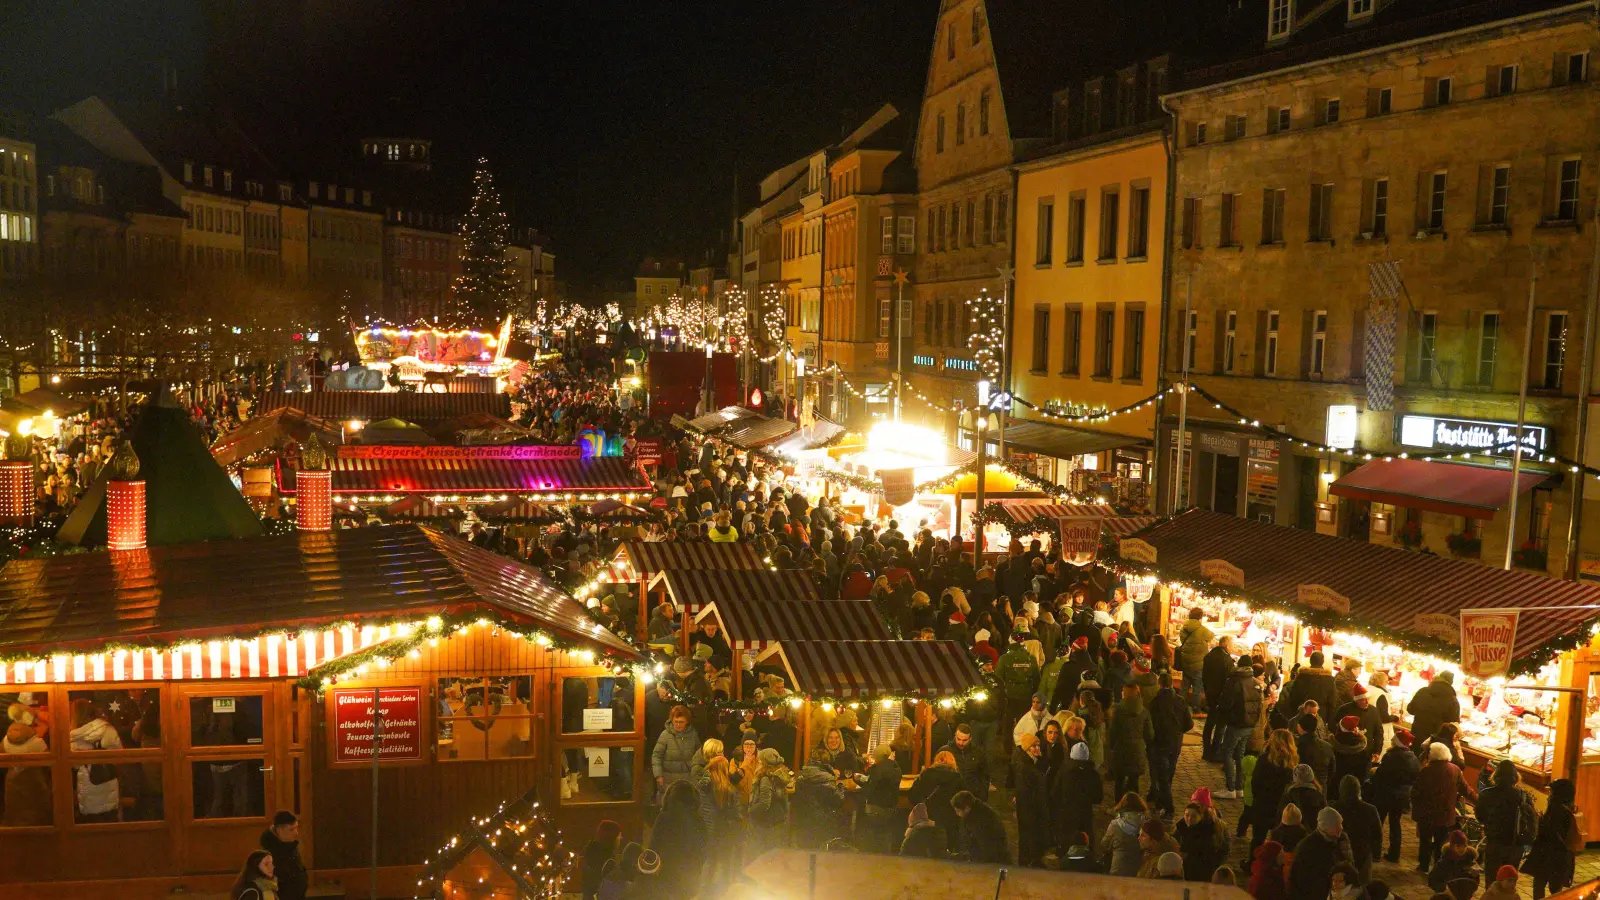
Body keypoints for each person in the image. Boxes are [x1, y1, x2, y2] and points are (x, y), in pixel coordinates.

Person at [1413, 741, 1475, 873]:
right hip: (1446, 814)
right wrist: (1477, 799)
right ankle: (1438, 866)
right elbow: (1466, 789)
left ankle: (1423, 866)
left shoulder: (1426, 771)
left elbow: (1416, 792)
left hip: (1427, 813)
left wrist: (1415, 806)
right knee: (1441, 842)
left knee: (1425, 841)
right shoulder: (1455, 769)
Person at [1523, 777, 1580, 899]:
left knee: (1540, 884)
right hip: (1559, 858)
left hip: (1548, 855)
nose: (1549, 796)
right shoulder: (1566, 812)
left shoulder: (1556, 811)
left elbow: (1548, 832)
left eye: (1551, 793)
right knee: (1555, 888)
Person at [1215, 652, 1262, 800]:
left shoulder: (1234, 681)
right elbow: (1259, 705)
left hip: (1236, 724)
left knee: (1227, 753)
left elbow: (1226, 703)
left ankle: (1230, 788)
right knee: (1240, 754)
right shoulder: (1256, 683)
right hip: (1249, 725)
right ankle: (1239, 787)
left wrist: (1223, 716)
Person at [1367, 729, 1419, 863]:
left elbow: (1380, 775)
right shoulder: (1413, 758)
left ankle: (1375, 852)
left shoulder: (1390, 756)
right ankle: (1394, 853)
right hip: (1401, 796)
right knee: (1395, 823)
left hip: (1386, 794)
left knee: (1378, 823)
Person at [1477, 758, 1535, 878]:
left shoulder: (1486, 794)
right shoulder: (1523, 795)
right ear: (1515, 777)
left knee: (1492, 880)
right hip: (1515, 845)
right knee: (1509, 881)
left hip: (1494, 844)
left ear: (1496, 775)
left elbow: (1480, 817)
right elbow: (1531, 818)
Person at [648, 781, 707, 897]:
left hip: (666, 877)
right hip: (690, 879)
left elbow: (653, 848)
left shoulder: (664, 818)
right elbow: (703, 850)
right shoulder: (698, 820)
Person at [1146, 671, 1191, 817]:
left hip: (1159, 743)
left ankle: (1166, 804)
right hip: (1175, 743)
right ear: (1172, 683)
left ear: (1159, 683)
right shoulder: (1180, 700)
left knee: (1160, 774)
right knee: (1169, 772)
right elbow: (1188, 723)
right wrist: (1178, 732)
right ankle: (1159, 797)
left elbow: (1149, 725)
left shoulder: (1154, 703)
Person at [1288, 806, 1354, 899]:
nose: (1341, 828)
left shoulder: (1342, 839)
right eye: (1337, 825)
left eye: (1341, 823)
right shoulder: (1307, 847)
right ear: (1326, 827)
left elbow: (1349, 864)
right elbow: (1298, 880)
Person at [1250, 729, 1297, 853]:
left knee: (1258, 837)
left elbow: (1255, 782)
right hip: (1281, 805)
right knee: (1277, 839)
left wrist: (1256, 798)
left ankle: (1253, 862)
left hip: (1263, 804)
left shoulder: (1265, 759)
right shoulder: (1293, 761)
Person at [1051, 740, 1102, 857]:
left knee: (1066, 839)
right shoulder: (1093, 774)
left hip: (1067, 812)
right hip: (1085, 813)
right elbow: (1098, 797)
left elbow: (1055, 792)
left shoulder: (1064, 771)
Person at [1106, 683, 1153, 799]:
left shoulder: (1118, 711)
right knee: (1134, 780)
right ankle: (1133, 808)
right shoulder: (1144, 711)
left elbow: (1113, 732)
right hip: (1138, 749)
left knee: (1119, 781)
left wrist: (1111, 748)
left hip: (1121, 749)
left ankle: (1118, 807)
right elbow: (1150, 734)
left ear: (1125, 694)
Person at [1334, 774, 1381, 885]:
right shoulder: (1370, 809)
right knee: (1363, 885)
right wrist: (1375, 853)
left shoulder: (1335, 808)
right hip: (1364, 852)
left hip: (1340, 854)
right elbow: (1377, 833)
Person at [1010, 733, 1049, 866]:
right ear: (1027, 749)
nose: (1037, 748)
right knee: (1029, 834)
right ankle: (1029, 860)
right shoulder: (1024, 767)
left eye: (1038, 745)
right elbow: (1025, 789)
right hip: (1029, 808)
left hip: (1031, 806)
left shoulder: (1033, 762)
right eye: (1034, 746)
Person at [858, 743, 904, 854]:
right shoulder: (897, 769)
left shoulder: (875, 770)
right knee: (885, 832)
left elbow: (869, 789)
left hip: (874, 809)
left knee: (860, 816)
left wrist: (859, 781)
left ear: (877, 757)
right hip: (891, 809)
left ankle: (867, 851)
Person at [909, 749, 964, 838]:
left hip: (927, 817)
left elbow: (913, 796)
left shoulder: (926, 774)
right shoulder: (957, 778)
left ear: (936, 760)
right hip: (948, 820)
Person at [747, 748, 792, 854]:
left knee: (762, 855)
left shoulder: (766, 779)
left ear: (763, 763)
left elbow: (764, 803)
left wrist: (750, 811)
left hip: (766, 823)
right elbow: (784, 800)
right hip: (777, 821)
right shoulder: (779, 776)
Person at [1176, 794, 1228, 881]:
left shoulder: (1208, 832)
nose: (1189, 819)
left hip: (1201, 873)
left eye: (1194, 816)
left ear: (1201, 817)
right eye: (1187, 815)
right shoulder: (1180, 827)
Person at [1201, 635, 1237, 759]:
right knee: (1220, 726)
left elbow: (1204, 677)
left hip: (1210, 695)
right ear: (1226, 645)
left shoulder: (1209, 656)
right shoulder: (1227, 661)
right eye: (1232, 645)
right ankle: (1215, 751)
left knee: (1209, 724)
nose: (1233, 648)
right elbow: (1228, 682)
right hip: (1221, 698)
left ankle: (1206, 750)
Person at [951, 790, 1010, 864]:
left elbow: (986, 845)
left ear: (967, 808)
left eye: (958, 811)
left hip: (994, 861)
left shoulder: (982, 819)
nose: (957, 814)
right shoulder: (973, 814)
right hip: (986, 857)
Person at [650, 706, 699, 797]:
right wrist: (658, 775)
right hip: (668, 780)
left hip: (688, 779)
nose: (678, 725)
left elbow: (698, 756)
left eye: (681, 722)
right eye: (676, 721)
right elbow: (656, 756)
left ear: (687, 722)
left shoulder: (693, 734)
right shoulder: (665, 735)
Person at [1406, 672, 1461, 750]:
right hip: (1435, 742)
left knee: (1413, 758)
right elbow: (1454, 724)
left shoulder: (1422, 691)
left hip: (1416, 735)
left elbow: (1410, 709)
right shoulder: (1453, 700)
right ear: (1450, 683)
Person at [259, 811, 307, 900]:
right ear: (280, 830)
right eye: (292, 829)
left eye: (296, 828)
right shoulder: (268, 855)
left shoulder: (290, 846)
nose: (296, 833)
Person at [1100, 792, 1149, 876]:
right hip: (1141, 871)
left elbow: (1104, 845)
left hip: (1118, 870)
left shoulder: (1115, 825)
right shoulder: (1146, 824)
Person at [1284, 652, 1336, 728]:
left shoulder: (1302, 676)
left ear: (1310, 661)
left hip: (1302, 712)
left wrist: (1294, 713)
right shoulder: (1329, 679)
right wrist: (1329, 721)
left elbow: (1293, 697)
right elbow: (1332, 702)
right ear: (1323, 662)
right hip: (1320, 715)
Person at [1177, 608, 1214, 710]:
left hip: (1185, 660)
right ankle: (1196, 708)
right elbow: (1211, 636)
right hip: (1198, 663)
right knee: (1197, 687)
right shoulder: (1201, 629)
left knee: (1185, 686)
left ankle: (1179, 706)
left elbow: (1183, 640)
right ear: (1200, 617)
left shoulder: (1183, 627)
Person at [941, 724, 991, 801]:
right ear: (955, 736)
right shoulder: (945, 752)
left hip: (972, 797)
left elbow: (984, 775)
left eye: (964, 740)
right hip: (950, 797)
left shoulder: (978, 753)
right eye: (958, 739)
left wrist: (982, 795)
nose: (961, 743)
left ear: (970, 738)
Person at [1428, 830, 1479, 897]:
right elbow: (1432, 880)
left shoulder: (1470, 861)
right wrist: (1444, 889)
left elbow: (1474, 882)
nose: (1462, 848)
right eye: (1458, 846)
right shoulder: (1444, 862)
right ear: (1452, 846)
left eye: (1464, 846)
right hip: (1447, 896)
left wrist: (1474, 877)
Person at [580, 820, 623, 900]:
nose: (620, 838)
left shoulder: (591, 853)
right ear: (611, 837)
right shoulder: (607, 861)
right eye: (618, 836)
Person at [1295, 713, 1334, 795]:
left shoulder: (1296, 747)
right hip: (1322, 789)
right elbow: (1332, 770)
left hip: (1301, 791)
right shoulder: (1327, 746)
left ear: (1300, 727)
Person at [1331, 715, 1372, 790]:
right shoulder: (1362, 746)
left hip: (1337, 783)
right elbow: (1366, 768)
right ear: (1354, 729)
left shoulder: (1332, 743)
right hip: (1356, 783)